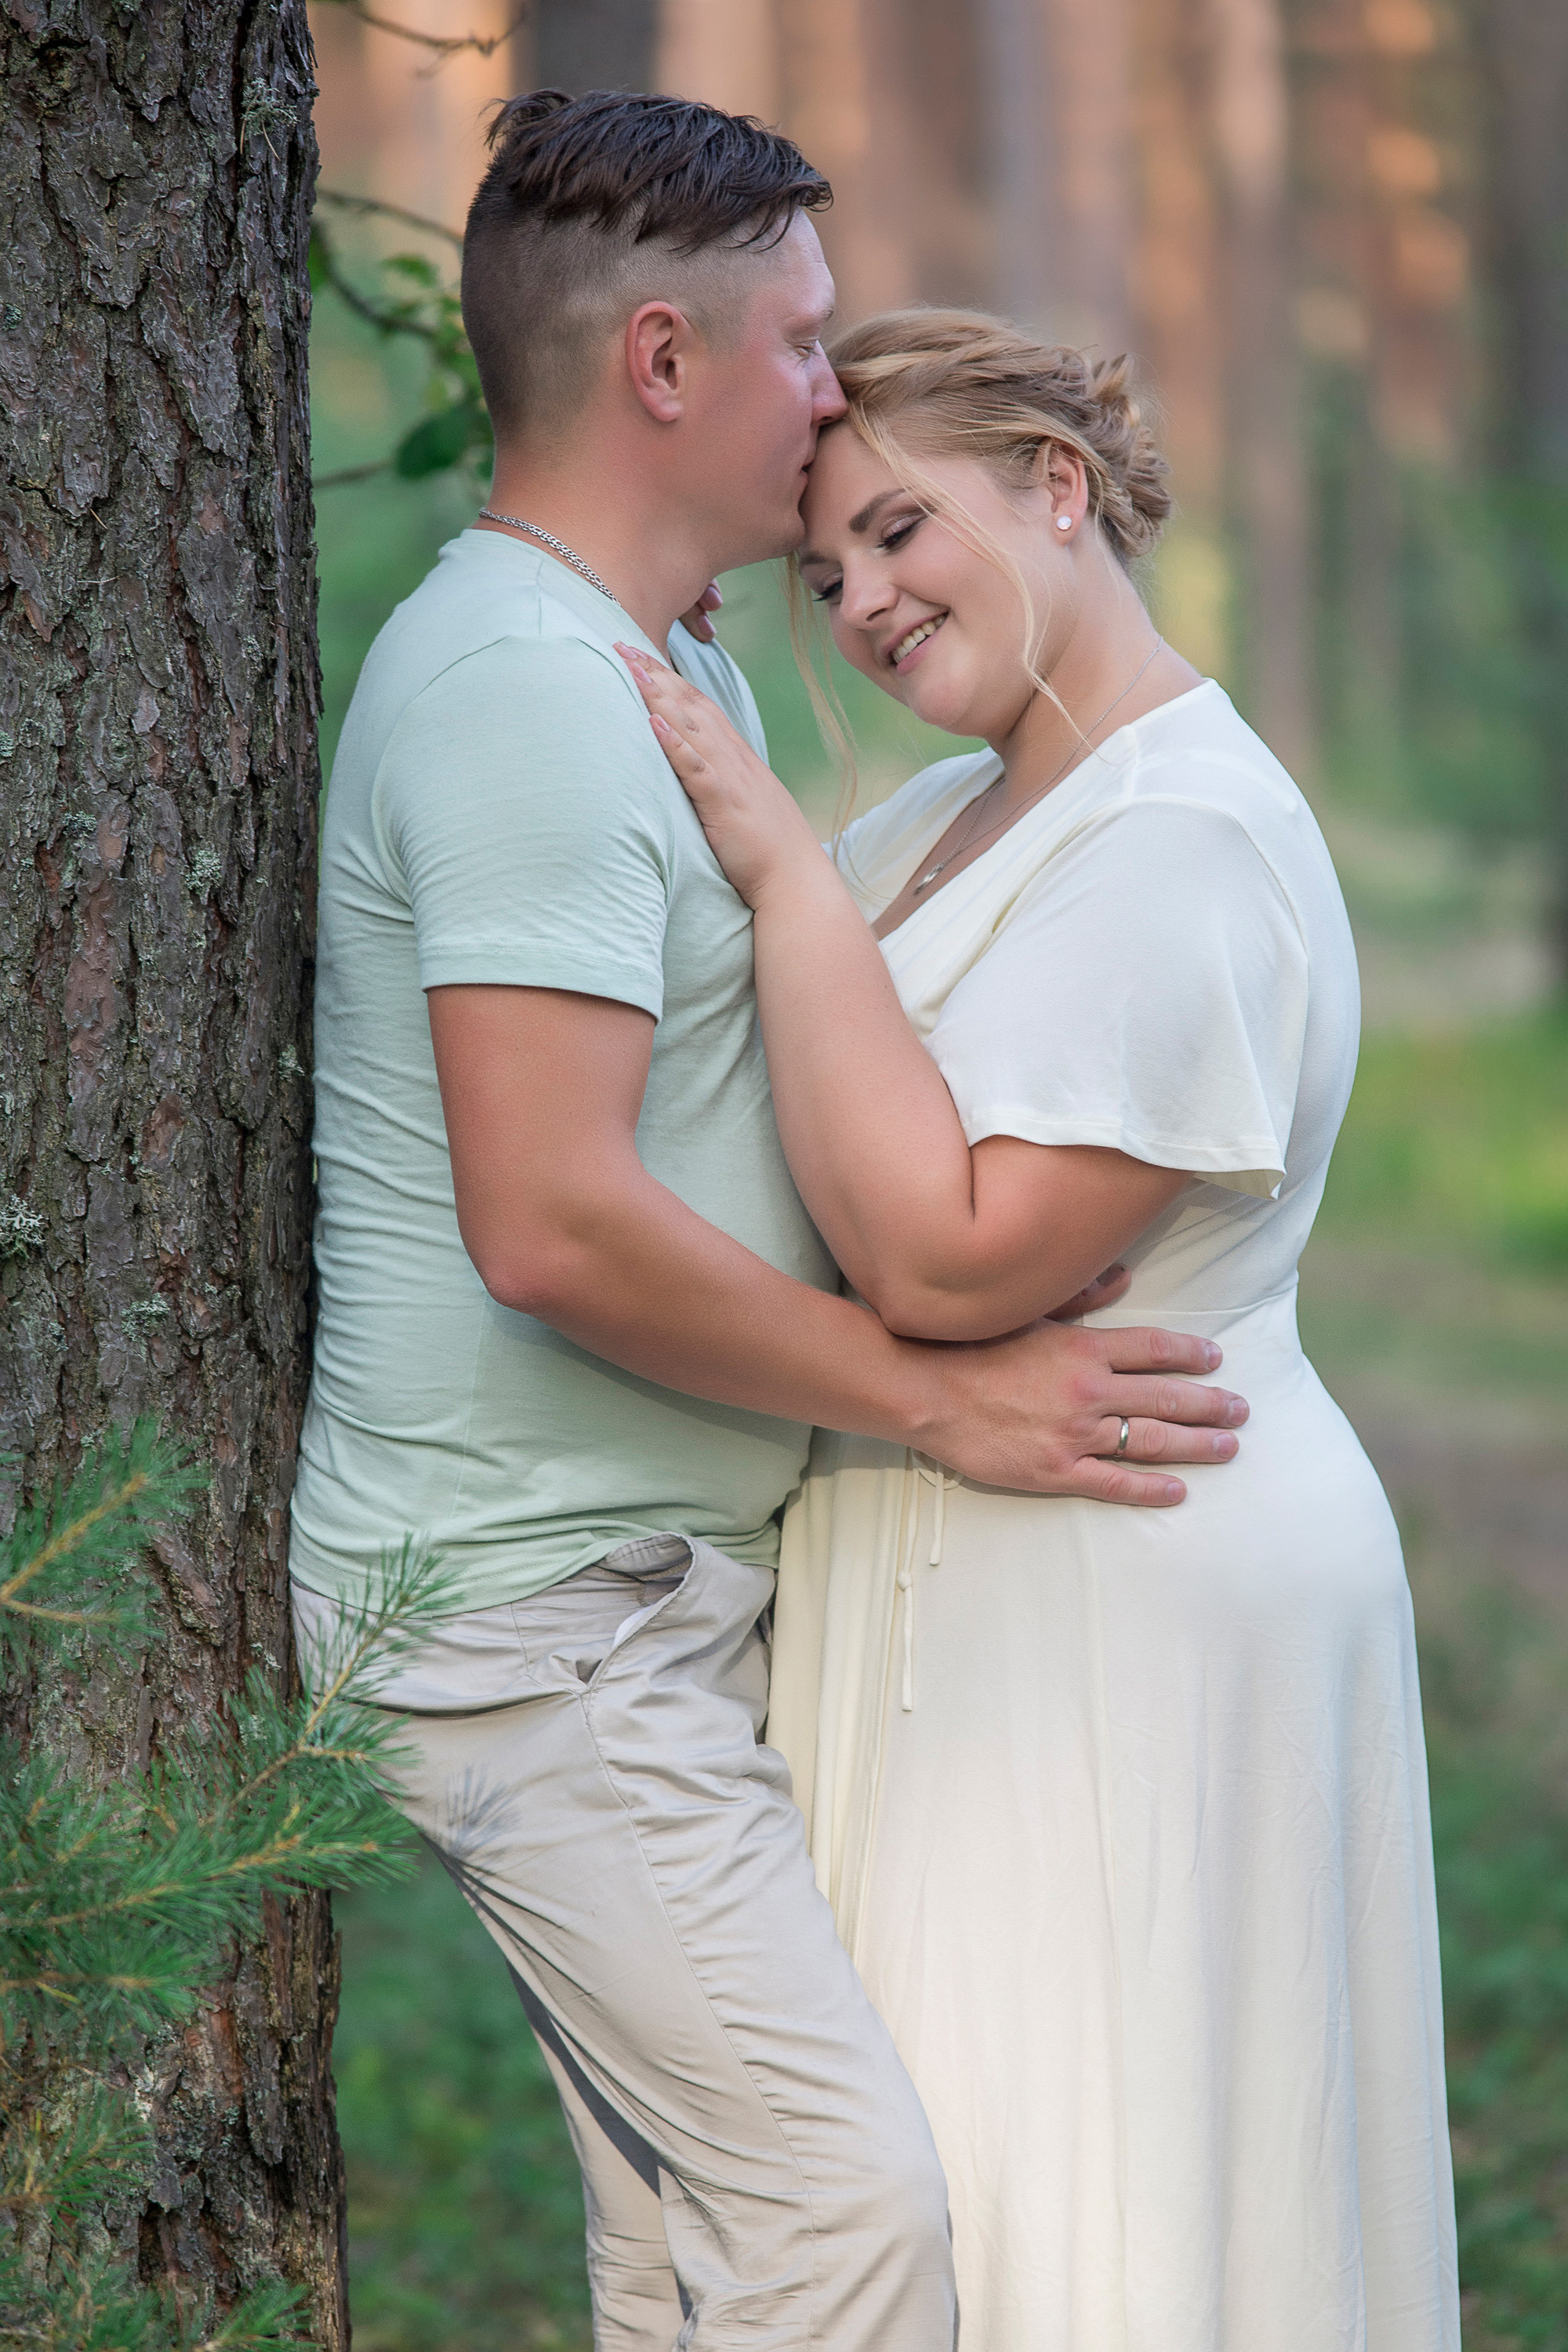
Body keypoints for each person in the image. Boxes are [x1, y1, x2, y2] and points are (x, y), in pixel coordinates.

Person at [287, 95, 1247, 2351]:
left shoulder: (660, 662)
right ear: (659, 361)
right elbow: (554, 1228)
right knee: (845, 2224)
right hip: (540, 1627)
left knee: (701, 2255)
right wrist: (940, 1400)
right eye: (804, 342)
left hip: (625, 1602)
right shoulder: (527, 693)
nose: (832, 388)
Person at [621, 309, 1461, 2351]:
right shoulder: (937, 824)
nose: (866, 604)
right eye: (822, 575)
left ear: (1058, 489)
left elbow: (942, 1259)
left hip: (1126, 1588)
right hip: (949, 1594)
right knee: (952, 2200)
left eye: (902, 531)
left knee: (1113, 2208)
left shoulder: (1183, 847)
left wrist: (773, 876)